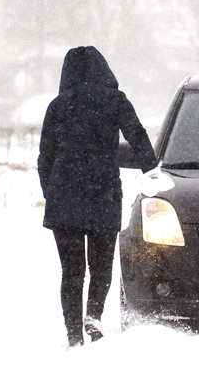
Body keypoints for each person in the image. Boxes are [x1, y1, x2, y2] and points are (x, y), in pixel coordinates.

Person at [38, 46, 158, 348]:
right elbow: (137, 134)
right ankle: (93, 316)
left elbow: (45, 158)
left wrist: (50, 192)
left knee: (72, 270)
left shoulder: (57, 106)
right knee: (101, 265)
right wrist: (151, 168)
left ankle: (73, 334)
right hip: (102, 191)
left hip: (65, 197)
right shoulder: (114, 100)